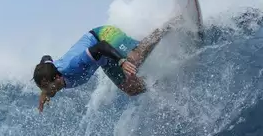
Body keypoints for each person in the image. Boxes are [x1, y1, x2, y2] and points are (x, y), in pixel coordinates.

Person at [32, 19, 176, 112]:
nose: (46, 92)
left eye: (45, 87)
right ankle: (165, 81)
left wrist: (121, 61)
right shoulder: (50, 70)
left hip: (102, 37)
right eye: (42, 88)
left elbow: (100, 46)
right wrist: (44, 90)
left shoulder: (72, 66)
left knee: (133, 59)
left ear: (56, 77)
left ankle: (171, 24)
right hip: (103, 59)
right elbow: (46, 58)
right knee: (131, 88)